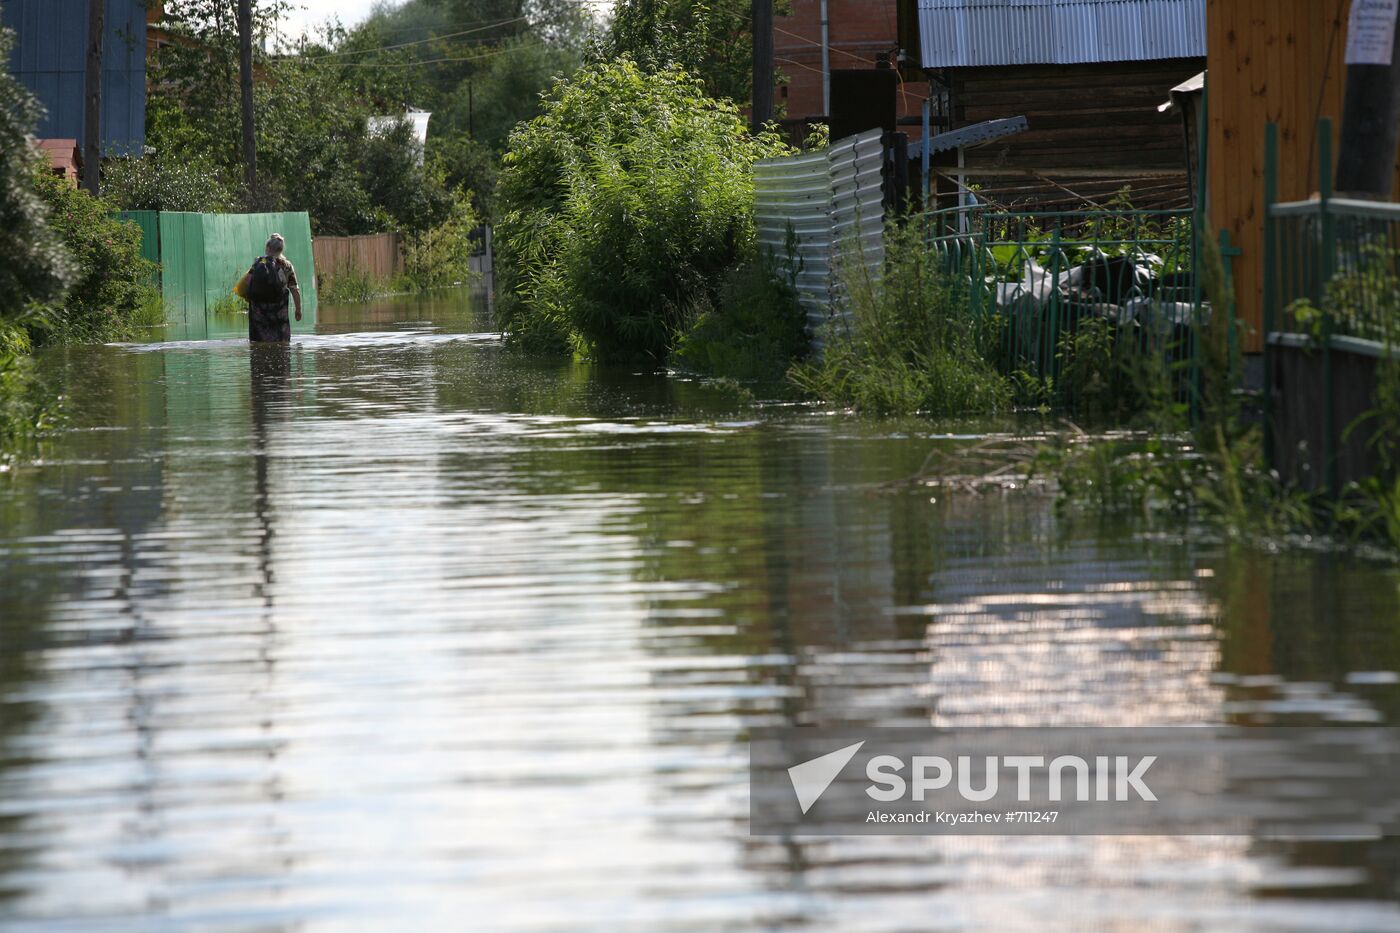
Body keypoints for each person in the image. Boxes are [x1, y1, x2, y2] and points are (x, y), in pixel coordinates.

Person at [239, 233, 303, 343]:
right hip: (279, 311)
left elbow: (246, 283)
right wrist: (298, 309)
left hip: (258, 310)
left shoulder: (259, 262)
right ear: (281, 249)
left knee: (258, 344)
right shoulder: (287, 266)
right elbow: (294, 289)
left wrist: (249, 298)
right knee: (281, 343)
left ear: (268, 247)